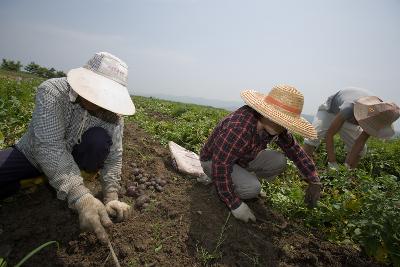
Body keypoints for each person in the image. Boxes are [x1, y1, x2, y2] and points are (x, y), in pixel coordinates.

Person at [0, 52, 135, 244]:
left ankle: (68, 181)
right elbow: (48, 147)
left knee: (99, 139)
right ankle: (42, 181)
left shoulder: (113, 115)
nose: (96, 101)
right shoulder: (53, 91)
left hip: (76, 161)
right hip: (33, 154)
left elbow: (114, 155)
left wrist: (111, 196)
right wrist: (81, 197)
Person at [199, 85, 322, 223]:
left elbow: (295, 150)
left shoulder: (276, 127)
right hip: (213, 161)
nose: (281, 125)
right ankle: (220, 188)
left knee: (279, 160)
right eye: (278, 119)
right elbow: (221, 164)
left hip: (241, 159)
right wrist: (235, 205)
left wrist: (314, 179)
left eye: (285, 122)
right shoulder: (240, 127)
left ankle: (238, 181)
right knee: (252, 188)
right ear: (264, 112)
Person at [303, 88, 400, 170]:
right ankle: (304, 168)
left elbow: (360, 142)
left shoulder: (379, 114)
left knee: (362, 150)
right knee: (313, 136)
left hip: (351, 118)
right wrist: (332, 162)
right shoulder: (350, 107)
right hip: (331, 111)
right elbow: (330, 134)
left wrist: (345, 168)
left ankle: (348, 175)